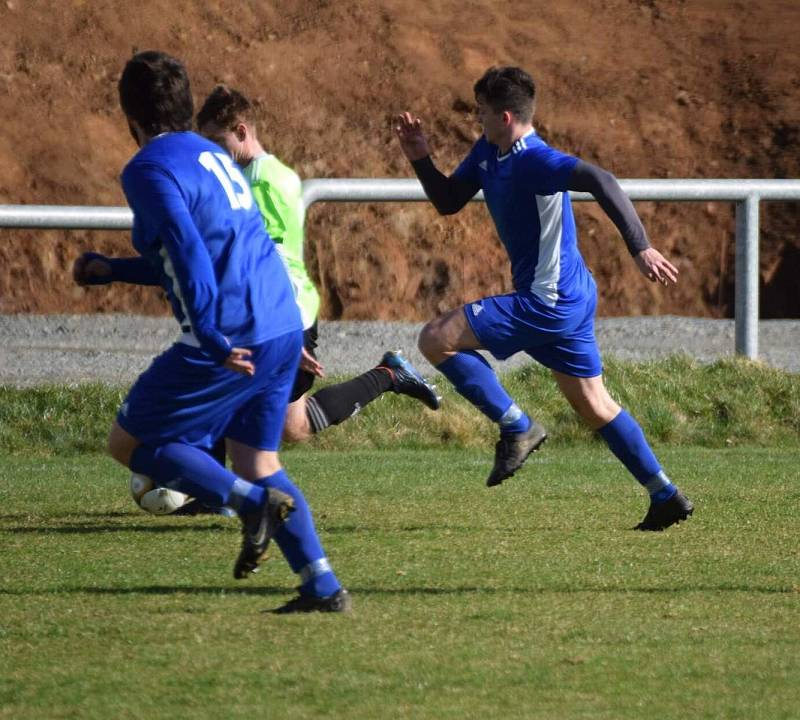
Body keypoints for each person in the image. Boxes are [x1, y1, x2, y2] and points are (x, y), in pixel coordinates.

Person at [75, 50, 350, 612]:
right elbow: (215, 252)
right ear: (185, 103)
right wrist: (114, 270)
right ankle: (322, 585)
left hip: (230, 329)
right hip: (278, 322)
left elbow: (185, 247)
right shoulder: (215, 156)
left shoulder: (148, 168)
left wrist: (211, 336)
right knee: (259, 460)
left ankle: (249, 505)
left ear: (129, 117)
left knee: (130, 443)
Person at [395, 65, 693, 531]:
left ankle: (517, 426)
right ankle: (664, 495)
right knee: (594, 404)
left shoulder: (536, 159)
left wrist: (640, 247)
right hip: (567, 298)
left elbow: (602, 179)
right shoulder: (490, 152)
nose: (478, 121)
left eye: (483, 114)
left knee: (436, 339)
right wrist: (420, 158)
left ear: (507, 117)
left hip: (546, 301)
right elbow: (450, 200)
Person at [194, 85, 440, 445]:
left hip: (284, 322)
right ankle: (389, 375)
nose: (212, 153)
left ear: (242, 132)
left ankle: (210, 492)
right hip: (277, 318)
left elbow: (273, 265)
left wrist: (289, 335)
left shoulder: (264, 182)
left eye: (216, 141)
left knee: (220, 400)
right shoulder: (247, 177)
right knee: (293, 426)